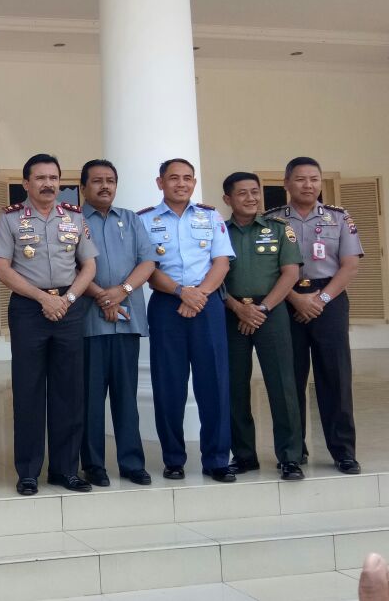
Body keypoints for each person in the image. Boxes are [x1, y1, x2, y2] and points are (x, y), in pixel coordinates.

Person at [0, 154, 98, 494]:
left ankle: (65, 470)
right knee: (28, 390)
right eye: (40, 178)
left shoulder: (74, 216)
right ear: (26, 183)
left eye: (54, 177)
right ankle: (28, 471)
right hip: (28, 308)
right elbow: (2, 267)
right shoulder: (10, 219)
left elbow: (89, 266)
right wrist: (43, 299)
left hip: (69, 307)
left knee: (69, 391)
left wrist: (66, 300)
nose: (49, 184)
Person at [140, 158, 235, 482]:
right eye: (173, 178)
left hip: (206, 305)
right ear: (160, 182)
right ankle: (173, 458)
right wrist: (182, 293)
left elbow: (221, 263)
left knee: (215, 383)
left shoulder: (209, 216)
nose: (181, 184)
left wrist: (198, 296)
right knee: (169, 385)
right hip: (167, 305)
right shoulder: (145, 220)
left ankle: (217, 458)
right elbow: (148, 269)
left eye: (187, 178)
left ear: (194, 183)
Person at [268, 156, 363, 474]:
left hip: (330, 299)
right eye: (300, 179)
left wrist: (320, 300)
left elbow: (350, 265)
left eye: (313, 179)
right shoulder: (272, 221)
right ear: (286, 183)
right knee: (289, 378)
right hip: (286, 297)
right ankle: (293, 451)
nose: (307, 185)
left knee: (335, 376)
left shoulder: (340, 218)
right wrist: (295, 298)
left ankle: (343, 451)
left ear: (320, 183)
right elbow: (271, 270)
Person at [221, 172, 306, 481]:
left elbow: (290, 274)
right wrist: (238, 308)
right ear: (227, 199)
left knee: (282, 385)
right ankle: (244, 455)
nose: (251, 198)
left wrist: (262, 308)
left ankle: (290, 456)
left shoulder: (279, 229)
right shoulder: (219, 232)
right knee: (234, 386)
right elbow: (212, 275)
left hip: (271, 312)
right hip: (231, 312)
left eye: (255, 192)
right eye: (242, 193)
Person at [78, 159, 156, 487]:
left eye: (110, 180)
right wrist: (102, 296)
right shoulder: (72, 220)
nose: (105, 186)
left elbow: (148, 261)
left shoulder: (131, 220)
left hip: (128, 321)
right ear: (83, 187)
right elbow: (70, 264)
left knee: (126, 397)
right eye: (97, 181)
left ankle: (131, 462)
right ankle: (94, 464)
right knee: (91, 400)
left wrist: (121, 292)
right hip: (88, 323)